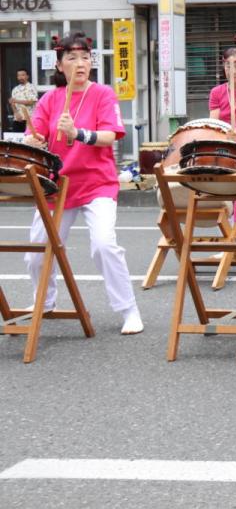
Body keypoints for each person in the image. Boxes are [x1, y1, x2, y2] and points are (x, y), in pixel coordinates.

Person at [22, 31, 142, 335]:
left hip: (96, 183)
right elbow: (32, 136)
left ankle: (128, 309)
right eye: (72, 58)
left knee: (103, 244)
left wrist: (78, 134)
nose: (80, 63)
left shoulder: (102, 94)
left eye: (85, 57)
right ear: (60, 65)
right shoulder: (50, 99)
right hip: (57, 184)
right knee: (36, 248)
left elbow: (110, 135)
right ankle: (44, 302)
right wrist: (34, 140)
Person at [208, 44, 236, 126]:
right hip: (225, 136)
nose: (233, 71)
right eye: (228, 66)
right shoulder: (216, 92)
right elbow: (213, 123)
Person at [9, 67, 37, 133]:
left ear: (27, 76)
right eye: (18, 75)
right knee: (16, 139)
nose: (20, 77)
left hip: (29, 119)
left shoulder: (31, 87)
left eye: (23, 75)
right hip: (17, 119)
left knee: (28, 140)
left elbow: (31, 102)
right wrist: (16, 113)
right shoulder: (15, 89)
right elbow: (12, 103)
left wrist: (17, 101)